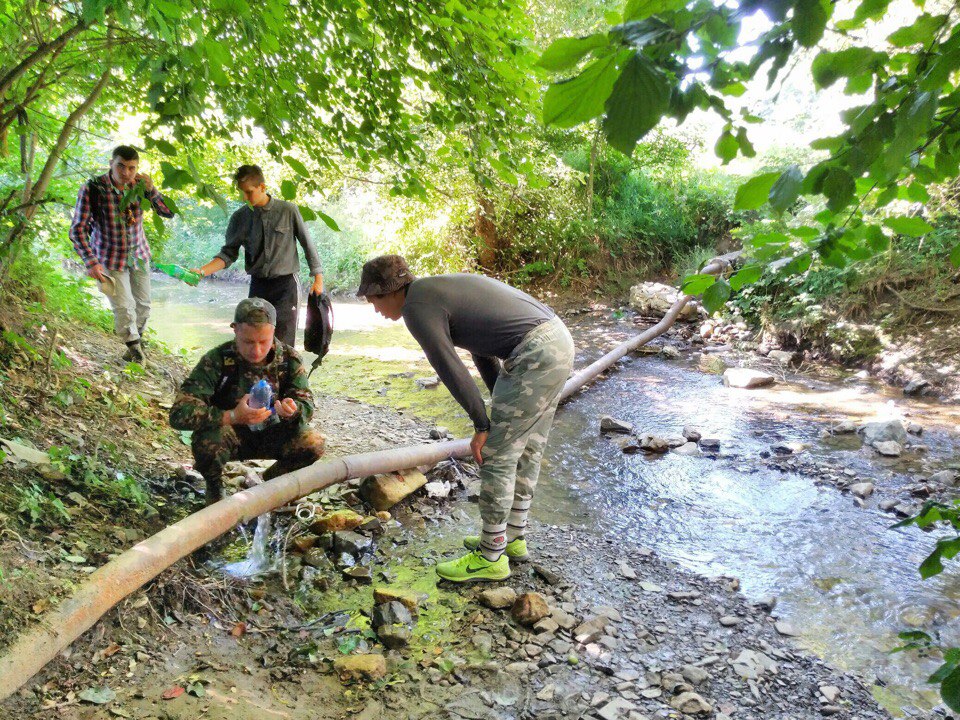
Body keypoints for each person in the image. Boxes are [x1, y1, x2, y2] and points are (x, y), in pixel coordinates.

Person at [357, 255, 575, 582]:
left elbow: (449, 367)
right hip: (557, 340)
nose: (374, 307)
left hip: (534, 353)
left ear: (389, 291)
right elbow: (481, 348)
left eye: (373, 298)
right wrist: (495, 405)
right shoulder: (434, 290)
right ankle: (512, 539)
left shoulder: (416, 307)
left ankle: (490, 556)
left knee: (498, 455)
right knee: (528, 448)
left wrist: (483, 424)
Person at [169, 298, 325, 505]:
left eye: (264, 342)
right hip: (231, 435)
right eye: (248, 342)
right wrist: (231, 416)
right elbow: (180, 413)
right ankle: (215, 489)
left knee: (313, 443)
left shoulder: (288, 358)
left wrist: (292, 411)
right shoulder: (217, 360)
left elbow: (306, 404)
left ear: (274, 333)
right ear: (235, 330)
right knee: (206, 441)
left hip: (273, 432)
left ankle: (269, 483)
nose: (257, 351)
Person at [192, 164, 324, 348]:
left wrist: (318, 278)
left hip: (286, 287)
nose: (245, 197)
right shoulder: (240, 218)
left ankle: (284, 376)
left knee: (283, 344)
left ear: (262, 187)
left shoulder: (288, 210)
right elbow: (228, 254)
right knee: (255, 340)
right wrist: (201, 272)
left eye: (249, 192)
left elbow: (307, 244)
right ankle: (257, 377)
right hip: (258, 286)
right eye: (242, 193)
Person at [69, 145, 174, 363]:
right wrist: (91, 262)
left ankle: (134, 347)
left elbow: (168, 212)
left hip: (139, 254)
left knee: (143, 306)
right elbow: (77, 229)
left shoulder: (141, 187)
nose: (125, 173)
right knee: (124, 307)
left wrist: (152, 190)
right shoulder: (94, 188)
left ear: (137, 168)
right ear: (111, 164)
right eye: (121, 166)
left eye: (131, 168)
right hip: (109, 257)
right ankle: (136, 353)